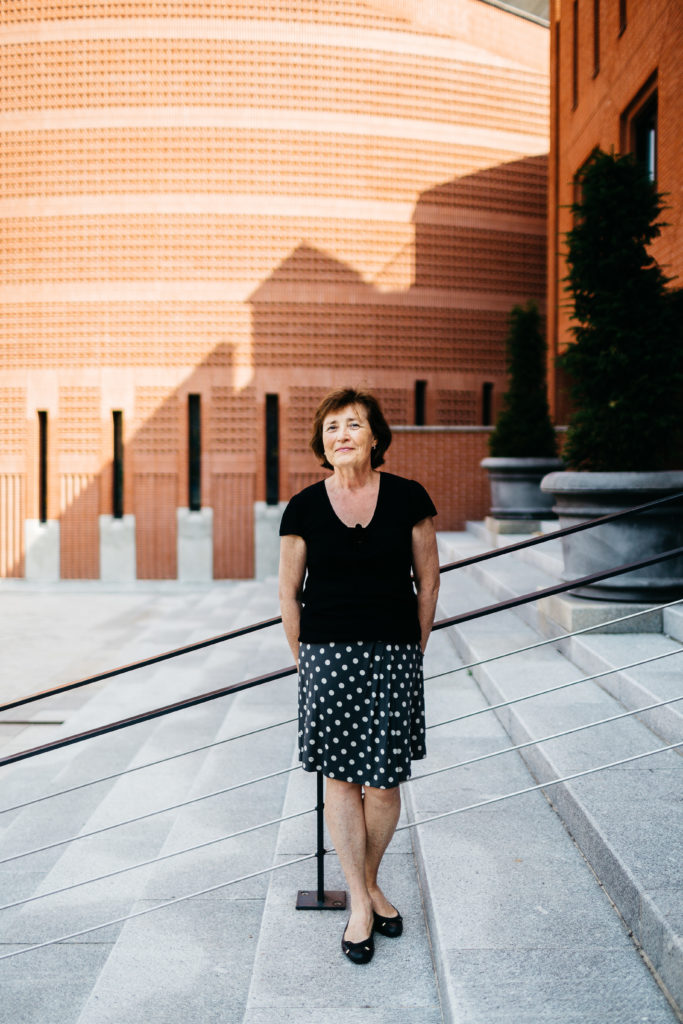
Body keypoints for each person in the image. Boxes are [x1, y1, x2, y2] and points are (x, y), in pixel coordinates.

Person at [278, 387, 440, 965]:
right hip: (327, 658)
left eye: (352, 425)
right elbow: (287, 594)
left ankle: (365, 883)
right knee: (342, 784)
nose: (341, 435)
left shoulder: (409, 499)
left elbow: (429, 581)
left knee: (385, 784)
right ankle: (361, 905)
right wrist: (308, 662)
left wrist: (412, 650)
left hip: (394, 656)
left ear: (375, 437)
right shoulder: (301, 508)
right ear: (322, 443)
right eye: (331, 428)